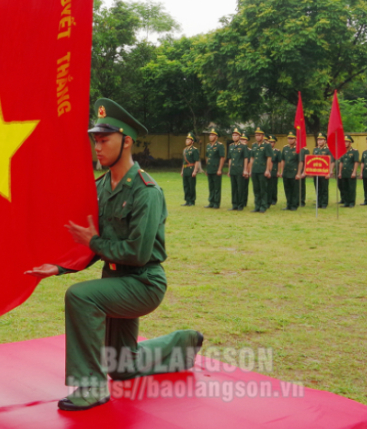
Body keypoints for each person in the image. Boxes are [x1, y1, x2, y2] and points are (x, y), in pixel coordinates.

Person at [26, 98, 203, 411]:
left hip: (143, 282)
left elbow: (136, 252)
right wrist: (61, 267)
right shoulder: (101, 186)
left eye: (104, 140)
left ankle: (92, 386)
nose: (97, 147)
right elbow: (92, 242)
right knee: (123, 366)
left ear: (127, 141)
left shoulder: (146, 191)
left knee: (80, 297)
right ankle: (182, 345)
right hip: (116, 281)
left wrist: (94, 242)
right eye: (95, 140)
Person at [279, 132, 303, 210]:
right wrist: (282, 171)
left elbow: (300, 162)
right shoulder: (285, 148)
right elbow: (283, 160)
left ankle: (294, 205)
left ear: (295, 139)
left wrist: (299, 173)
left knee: (294, 190)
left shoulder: (298, 149)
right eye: (289, 138)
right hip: (286, 172)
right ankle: (288, 204)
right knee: (287, 189)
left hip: (294, 172)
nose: (290, 140)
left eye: (292, 138)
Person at [250, 128, 273, 213]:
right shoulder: (254, 145)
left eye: (259, 135)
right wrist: (250, 169)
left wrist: (267, 170)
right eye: (256, 135)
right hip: (255, 170)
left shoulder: (267, 145)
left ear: (263, 136)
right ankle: (257, 206)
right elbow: (252, 158)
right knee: (256, 189)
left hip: (262, 170)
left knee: (263, 189)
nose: (257, 137)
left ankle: (263, 206)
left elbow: (269, 158)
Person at [227, 129, 248, 211]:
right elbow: (230, 159)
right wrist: (229, 169)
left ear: (239, 136)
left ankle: (240, 204)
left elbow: (246, 158)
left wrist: (245, 169)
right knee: (234, 188)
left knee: (240, 188)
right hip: (233, 169)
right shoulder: (231, 146)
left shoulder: (243, 146)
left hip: (240, 169)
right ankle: (234, 204)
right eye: (233, 135)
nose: (234, 136)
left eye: (236, 135)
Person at [204, 128, 225, 209]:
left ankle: (216, 203)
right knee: (211, 186)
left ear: (216, 137)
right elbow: (207, 157)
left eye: (212, 135)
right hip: (210, 169)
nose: (210, 136)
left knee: (217, 187)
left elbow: (222, 158)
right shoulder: (208, 146)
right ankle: (211, 202)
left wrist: (220, 169)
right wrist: (207, 168)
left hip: (216, 169)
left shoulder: (220, 146)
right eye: (210, 135)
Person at [337, 135, 359, 208]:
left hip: (350, 172)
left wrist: (354, 172)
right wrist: (340, 172)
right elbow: (341, 162)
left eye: (347, 142)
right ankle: (346, 202)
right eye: (344, 142)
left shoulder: (355, 151)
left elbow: (356, 162)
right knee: (345, 188)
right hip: (344, 172)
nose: (345, 143)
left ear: (350, 143)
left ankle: (351, 202)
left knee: (351, 188)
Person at [313, 133, 332, 209]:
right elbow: (312, 161)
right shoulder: (315, 149)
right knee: (318, 188)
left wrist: (329, 172)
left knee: (324, 188)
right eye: (318, 140)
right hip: (316, 172)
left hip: (324, 172)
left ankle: (324, 203)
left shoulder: (328, 150)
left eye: (321, 140)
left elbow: (331, 161)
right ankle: (318, 202)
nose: (319, 141)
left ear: (325, 141)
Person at [181, 132, 200, 206]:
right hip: (185, 169)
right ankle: (187, 200)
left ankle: (192, 201)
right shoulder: (184, 150)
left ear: (192, 141)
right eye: (186, 140)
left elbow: (197, 161)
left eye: (189, 140)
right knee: (186, 186)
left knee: (191, 186)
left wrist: (195, 171)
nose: (187, 141)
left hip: (191, 169)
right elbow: (183, 162)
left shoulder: (195, 150)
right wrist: (182, 170)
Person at [266, 135, 280, 206]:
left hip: (274, 170)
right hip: (267, 169)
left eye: (272, 142)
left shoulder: (277, 152)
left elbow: (279, 162)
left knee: (273, 186)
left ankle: (273, 199)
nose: (271, 143)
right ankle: (268, 199)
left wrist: (278, 171)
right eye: (270, 142)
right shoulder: (266, 150)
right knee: (267, 186)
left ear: (274, 143)